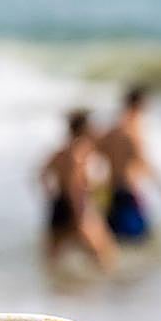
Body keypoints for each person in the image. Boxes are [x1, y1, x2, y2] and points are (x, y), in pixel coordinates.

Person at [39, 109, 117, 271]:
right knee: (104, 254)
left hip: (59, 204)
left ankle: (59, 285)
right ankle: (106, 285)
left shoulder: (61, 151)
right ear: (84, 129)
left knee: (53, 259)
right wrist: (80, 212)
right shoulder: (79, 152)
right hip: (77, 205)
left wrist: (51, 195)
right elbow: (74, 185)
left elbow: (42, 174)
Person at [99, 85, 161, 242]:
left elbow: (98, 149)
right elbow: (141, 159)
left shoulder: (114, 128)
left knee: (115, 240)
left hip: (112, 189)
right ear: (139, 104)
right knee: (141, 240)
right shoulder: (134, 129)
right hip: (129, 190)